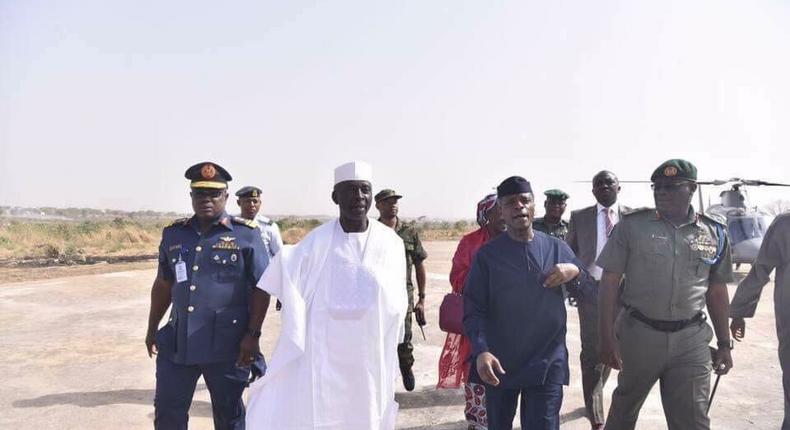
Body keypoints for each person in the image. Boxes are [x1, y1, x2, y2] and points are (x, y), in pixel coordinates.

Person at [245, 161, 408, 430]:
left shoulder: (391, 244)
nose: (358, 197)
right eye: (350, 190)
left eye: (364, 190)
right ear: (335, 197)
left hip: (371, 356)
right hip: (323, 358)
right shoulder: (316, 242)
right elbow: (269, 281)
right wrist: (252, 334)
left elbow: (398, 302)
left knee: (369, 415)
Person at [597, 159, 734, 430]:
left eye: (671, 187)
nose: (661, 192)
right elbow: (609, 283)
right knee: (623, 414)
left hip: (691, 341)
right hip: (640, 337)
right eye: (657, 187)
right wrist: (606, 338)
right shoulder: (632, 227)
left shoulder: (714, 232)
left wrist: (725, 344)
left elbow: (717, 291)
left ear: (692, 188)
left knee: (693, 421)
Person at [145, 161, 271, 430]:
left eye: (214, 194)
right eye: (200, 194)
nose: (207, 200)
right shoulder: (173, 234)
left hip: (228, 346)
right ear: (191, 197)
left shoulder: (246, 235)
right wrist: (152, 327)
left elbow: (262, 288)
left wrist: (253, 335)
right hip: (178, 342)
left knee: (229, 417)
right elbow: (164, 283)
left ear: (226, 197)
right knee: (167, 415)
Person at [463, 176, 591, 430]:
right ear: (501, 210)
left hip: (546, 363)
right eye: (511, 202)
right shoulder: (487, 257)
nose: (519, 206)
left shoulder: (557, 248)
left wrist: (574, 273)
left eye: (525, 201)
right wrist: (481, 350)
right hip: (499, 363)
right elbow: (473, 310)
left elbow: (591, 293)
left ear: (534, 206)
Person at [437, 193, 506, 430]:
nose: (505, 213)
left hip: (511, 321)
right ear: (486, 215)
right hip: (477, 320)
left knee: (506, 372)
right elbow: (456, 277)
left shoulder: (517, 239)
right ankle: (477, 421)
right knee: (476, 369)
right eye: (500, 209)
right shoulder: (470, 242)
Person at [565, 170, 628, 430]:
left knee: (615, 347)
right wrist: (575, 286)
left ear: (618, 187)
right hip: (592, 291)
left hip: (625, 293)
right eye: (598, 184)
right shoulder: (579, 218)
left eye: (608, 182)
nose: (603, 186)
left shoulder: (633, 217)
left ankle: (595, 391)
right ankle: (596, 414)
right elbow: (569, 251)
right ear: (593, 191)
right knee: (592, 350)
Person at [730, 212, 790, 429]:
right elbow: (760, 270)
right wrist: (739, 310)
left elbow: (760, 270)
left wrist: (739, 311)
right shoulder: (785, 225)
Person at [374, 188, 427, 391]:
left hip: (404, 294)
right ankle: (383, 376)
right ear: (378, 205)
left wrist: (422, 298)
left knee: (404, 336)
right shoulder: (371, 231)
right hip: (378, 295)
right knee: (379, 336)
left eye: (395, 201)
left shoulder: (409, 231)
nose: (393, 204)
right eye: (388, 202)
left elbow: (420, 265)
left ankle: (406, 367)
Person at [235, 185, 284, 259]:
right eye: (248, 201)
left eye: (255, 201)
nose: (252, 205)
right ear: (239, 203)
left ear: (260, 203)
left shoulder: (269, 227)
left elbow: (279, 256)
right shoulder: (233, 225)